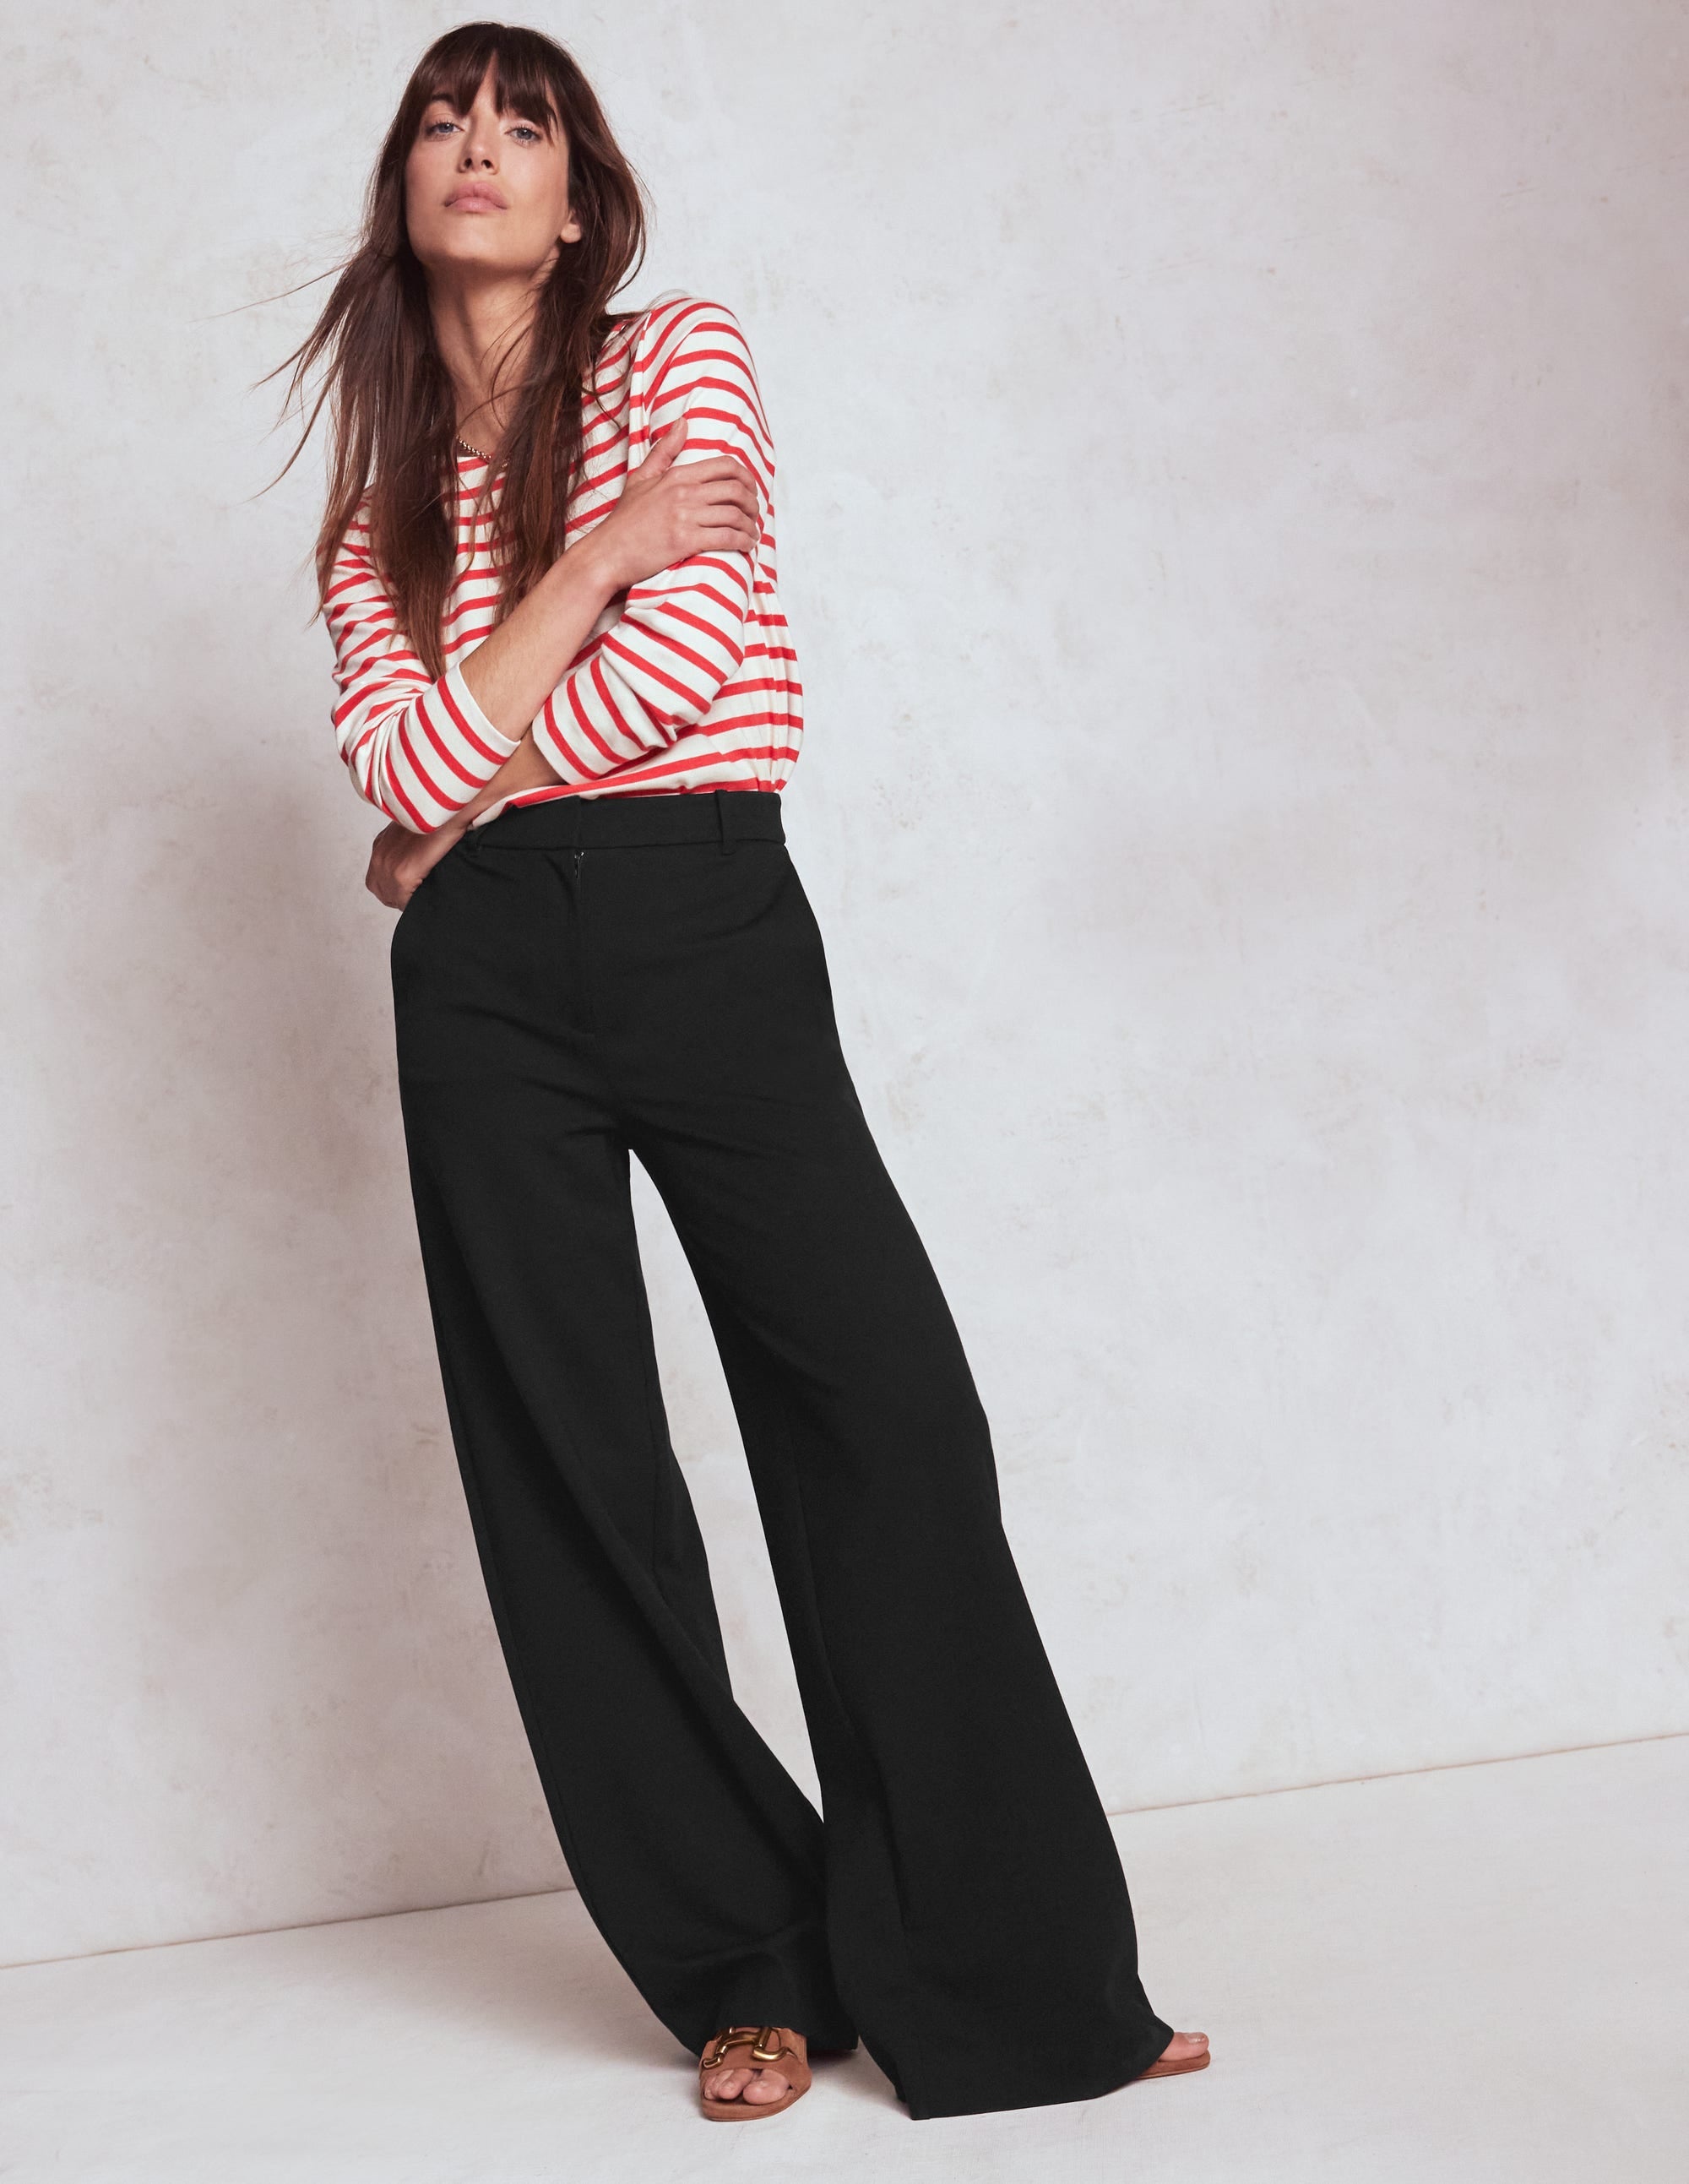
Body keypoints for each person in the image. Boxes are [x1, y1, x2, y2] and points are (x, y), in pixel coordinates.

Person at [279, 19, 1209, 2125]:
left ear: (582, 193)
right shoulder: (372, 510)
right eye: (443, 118)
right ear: (405, 186)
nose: (479, 149)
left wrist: (453, 796)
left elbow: (706, 662)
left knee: (876, 1404)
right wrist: (586, 580)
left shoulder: (679, 351)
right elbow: (395, 760)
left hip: (707, 922)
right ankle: (742, 1966)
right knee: (568, 1465)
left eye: (523, 122)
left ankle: (1023, 1984)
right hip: (488, 991)